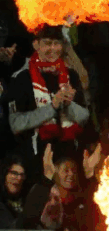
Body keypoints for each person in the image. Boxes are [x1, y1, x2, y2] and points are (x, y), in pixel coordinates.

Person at [7, 26, 90, 174]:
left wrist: (68, 105)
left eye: (56, 43)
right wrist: (52, 107)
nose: (53, 48)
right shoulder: (21, 78)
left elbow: (84, 117)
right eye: (47, 43)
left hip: (69, 158)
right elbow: (16, 124)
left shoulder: (71, 75)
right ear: (36, 44)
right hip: (36, 160)